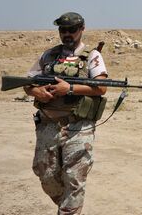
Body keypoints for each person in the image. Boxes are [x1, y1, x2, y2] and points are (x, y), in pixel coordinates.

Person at [24, 12, 108, 215]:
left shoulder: (92, 56)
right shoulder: (48, 56)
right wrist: (37, 92)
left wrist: (69, 89)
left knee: (74, 180)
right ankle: (70, 206)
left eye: (72, 30)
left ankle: (70, 209)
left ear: (82, 29)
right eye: (63, 30)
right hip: (48, 126)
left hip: (78, 127)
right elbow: (27, 82)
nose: (68, 34)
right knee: (46, 177)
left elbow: (101, 87)